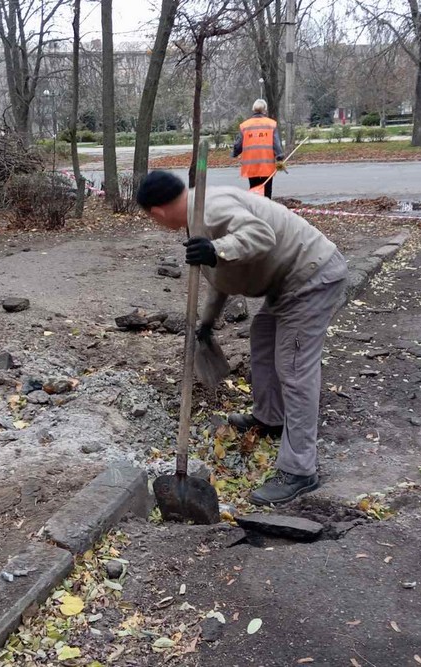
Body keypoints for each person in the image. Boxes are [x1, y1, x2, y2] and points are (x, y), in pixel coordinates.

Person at [136, 170, 349, 506]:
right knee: (262, 336)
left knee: (295, 368)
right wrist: (207, 324)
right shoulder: (196, 215)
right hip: (287, 283)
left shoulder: (211, 209)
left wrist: (216, 249)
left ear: (158, 212)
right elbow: (220, 277)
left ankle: (299, 470)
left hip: (312, 276)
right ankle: (271, 418)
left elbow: (261, 236)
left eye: (152, 218)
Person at [232, 99, 285, 199]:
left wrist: (234, 153)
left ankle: (255, 208)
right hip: (267, 165)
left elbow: (238, 145)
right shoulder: (271, 124)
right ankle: (266, 208)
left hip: (251, 166)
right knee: (267, 191)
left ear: (253, 109)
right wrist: (280, 157)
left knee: (254, 190)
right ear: (265, 110)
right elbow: (276, 144)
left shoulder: (245, 126)